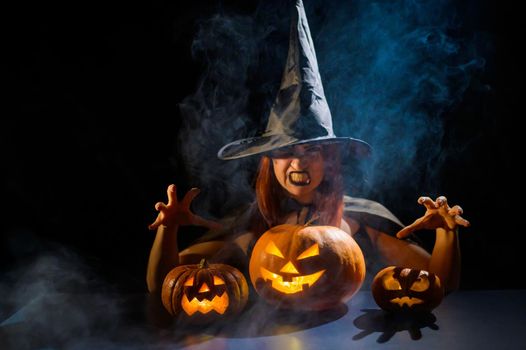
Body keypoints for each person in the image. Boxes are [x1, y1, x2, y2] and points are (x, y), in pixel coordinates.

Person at [146, 0, 469, 297]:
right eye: (285, 152)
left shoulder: (359, 214)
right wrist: (168, 230)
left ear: (329, 161)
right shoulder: (250, 221)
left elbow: (440, 283)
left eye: (311, 152)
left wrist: (446, 236)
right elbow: (167, 284)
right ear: (269, 163)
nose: (297, 163)